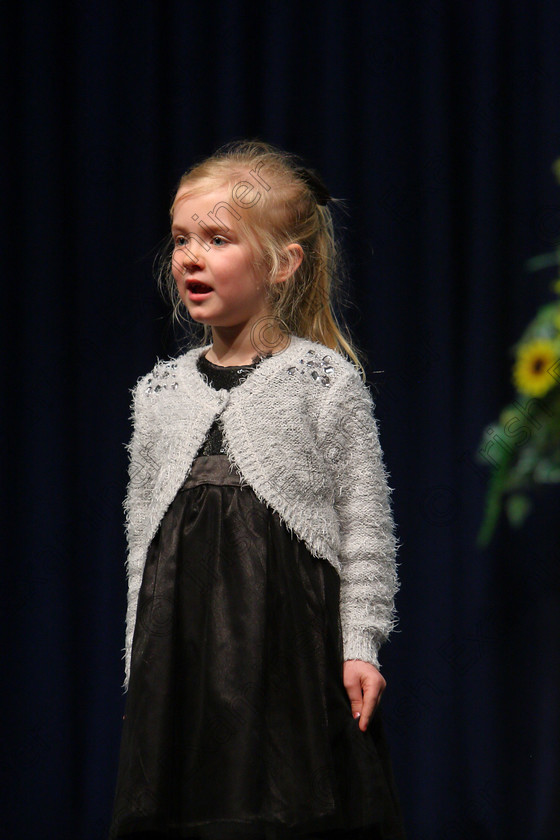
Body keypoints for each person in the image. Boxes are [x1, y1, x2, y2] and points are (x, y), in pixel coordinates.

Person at [108, 140, 406, 840]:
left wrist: (361, 643)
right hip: (181, 651)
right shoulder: (157, 394)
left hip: (288, 650)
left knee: (285, 807)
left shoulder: (323, 381)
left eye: (217, 239)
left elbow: (365, 525)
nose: (190, 256)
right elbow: (141, 538)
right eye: (182, 239)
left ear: (282, 263)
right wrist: (141, 662)